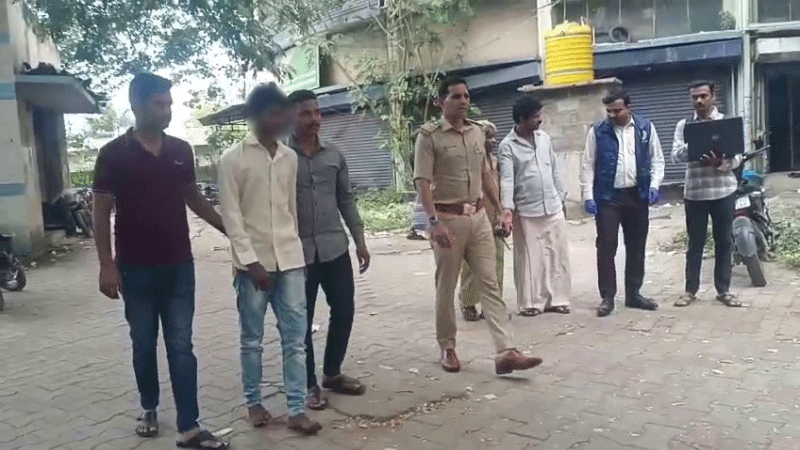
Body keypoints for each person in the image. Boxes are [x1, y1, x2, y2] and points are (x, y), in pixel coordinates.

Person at [92, 73, 230, 449]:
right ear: (136, 105)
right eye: (159, 104)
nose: (167, 111)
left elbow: (193, 198)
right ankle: (149, 407)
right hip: (134, 269)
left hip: (178, 266)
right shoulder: (113, 154)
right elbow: (100, 212)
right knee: (143, 344)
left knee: (181, 346)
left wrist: (229, 229)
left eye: (169, 104)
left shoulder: (180, 150)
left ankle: (190, 426)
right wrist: (106, 265)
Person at [414, 76, 543, 374]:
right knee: (446, 287)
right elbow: (422, 182)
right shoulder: (429, 137)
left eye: (466, 96)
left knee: (490, 284)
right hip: (447, 221)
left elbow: (485, 174)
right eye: (456, 96)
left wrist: (501, 210)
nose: (463, 101)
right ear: (440, 102)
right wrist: (433, 223)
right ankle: (447, 347)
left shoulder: (476, 132)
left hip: (479, 217)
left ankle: (506, 351)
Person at [217, 83, 322, 435]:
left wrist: (298, 257)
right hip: (253, 266)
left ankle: (296, 409)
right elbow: (232, 218)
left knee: (295, 339)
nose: (279, 121)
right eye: (272, 114)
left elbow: (290, 209)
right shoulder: (232, 160)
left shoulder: (289, 158)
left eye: (282, 115)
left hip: (290, 260)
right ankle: (254, 403)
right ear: (255, 116)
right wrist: (252, 263)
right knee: (252, 340)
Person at [286, 89, 371, 411]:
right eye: (306, 113)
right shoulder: (280, 158)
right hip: (297, 254)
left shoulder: (334, 154)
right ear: (291, 117)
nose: (315, 119)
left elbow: (345, 199)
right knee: (302, 320)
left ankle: (332, 373)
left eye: (317, 112)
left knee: (344, 310)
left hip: (335, 247)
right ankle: (308, 383)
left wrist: (360, 240)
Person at [580, 89, 665, 318]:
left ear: (628, 107)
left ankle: (634, 294)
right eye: (608, 111)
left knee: (637, 246)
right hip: (608, 197)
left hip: (637, 195)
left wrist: (654, 185)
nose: (612, 115)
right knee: (606, 246)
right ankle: (607, 297)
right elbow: (588, 164)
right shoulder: (598, 131)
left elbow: (657, 159)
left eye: (617, 111)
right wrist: (588, 195)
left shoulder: (645, 128)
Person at [671, 80, 743, 308]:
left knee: (724, 242)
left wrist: (719, 162)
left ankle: (724, 291)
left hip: (724, 191)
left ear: (713, 96)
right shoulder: (684, 125)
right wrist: (695, 145)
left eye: (703, 96)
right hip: (695, 194)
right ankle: (690, 290)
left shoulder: (726, 123)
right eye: (695, 97)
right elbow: (675, 155)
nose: (699, 101)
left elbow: (738, 158)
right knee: (695, 243)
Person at [499, 96, 572, 317]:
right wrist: (507, 210)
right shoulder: (507, 146)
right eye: (535, 117)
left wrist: (562, 197)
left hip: (552, 206)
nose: (540, 120)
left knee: (557, 254)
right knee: (530, 258)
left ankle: (559, 300)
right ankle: (530, 303)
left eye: (540, 115)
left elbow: (554, 169)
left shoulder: (544, 139)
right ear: (522, 119)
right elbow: (507, 179)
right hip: (526, 210)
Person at [458, 121, 505, 322]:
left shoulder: (496, 162)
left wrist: (503, 214)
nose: (493, 141)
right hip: (474, 218)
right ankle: (468, 302)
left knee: (497, 263)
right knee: (472, 264)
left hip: (495, 218)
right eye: (488, 137)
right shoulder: (468, 162)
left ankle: (492, 306)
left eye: (494, 137)